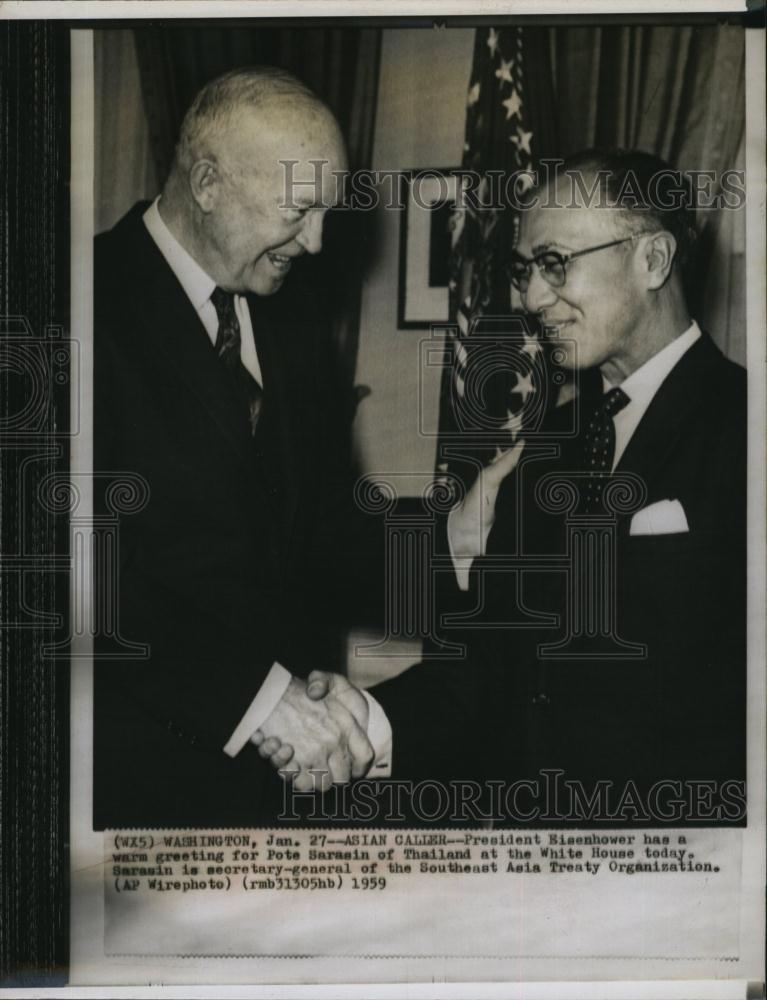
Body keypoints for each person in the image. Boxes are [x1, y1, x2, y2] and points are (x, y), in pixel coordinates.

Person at [271, 149, 747, 825]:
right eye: (525, 271)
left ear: (652, 260)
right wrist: (362, 727)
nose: (529, 297)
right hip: (523, 883)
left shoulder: (746, 429)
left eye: (555, 263)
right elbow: (484, 671)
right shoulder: (541, 452)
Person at [93, 66, 388, 829]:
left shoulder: (291, 320)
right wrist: (258, 702)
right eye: (299, 209)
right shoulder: (65, 300)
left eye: (328, 213)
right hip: (128, 785)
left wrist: (444, 540)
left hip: (283, 788)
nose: (318, 242)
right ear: (207, 182)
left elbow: (315, 531)